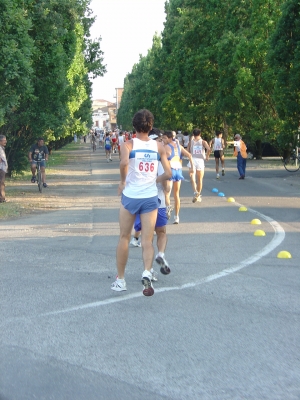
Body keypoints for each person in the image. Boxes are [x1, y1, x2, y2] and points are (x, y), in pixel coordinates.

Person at [111, 109, 171, 297]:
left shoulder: (128, 145)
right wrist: (155, 179)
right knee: (147, 239)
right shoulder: (158, 147)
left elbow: (123, 164)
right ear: (151, 126)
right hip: (149, 196)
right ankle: (147, 270)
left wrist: (122, 182)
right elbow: (169, 173)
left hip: (131, 195)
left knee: (124, 237)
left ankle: (121, 280)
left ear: (134, 126)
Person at [161, 130, 194, 224]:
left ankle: (168, 207)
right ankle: (177, 217)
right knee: (176, 195)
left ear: (169, 138)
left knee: (166, 193)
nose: (163, 140)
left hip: (170, 171)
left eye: (164, 138)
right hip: (178, 171)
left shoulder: (165, 147)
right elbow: (189, 155)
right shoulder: (179, 146)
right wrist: (191, 168)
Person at [187, 129, 211, 203]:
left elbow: (187, 151)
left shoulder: (190, 142)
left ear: (193, 134)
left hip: (192, 160)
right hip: (200, 160)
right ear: (200, 134)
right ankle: (198, 194)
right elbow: (209, 149)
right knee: (200, 179)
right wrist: (207, 156)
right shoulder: (203, 142)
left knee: (192, 177)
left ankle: (195, 192)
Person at [0, 135, 8, 203]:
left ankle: (2, 198)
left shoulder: (2, 148)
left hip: (2, 168)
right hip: (1, 168)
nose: (5, 141)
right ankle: (2, 198)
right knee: (1, 183)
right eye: (4, 140)